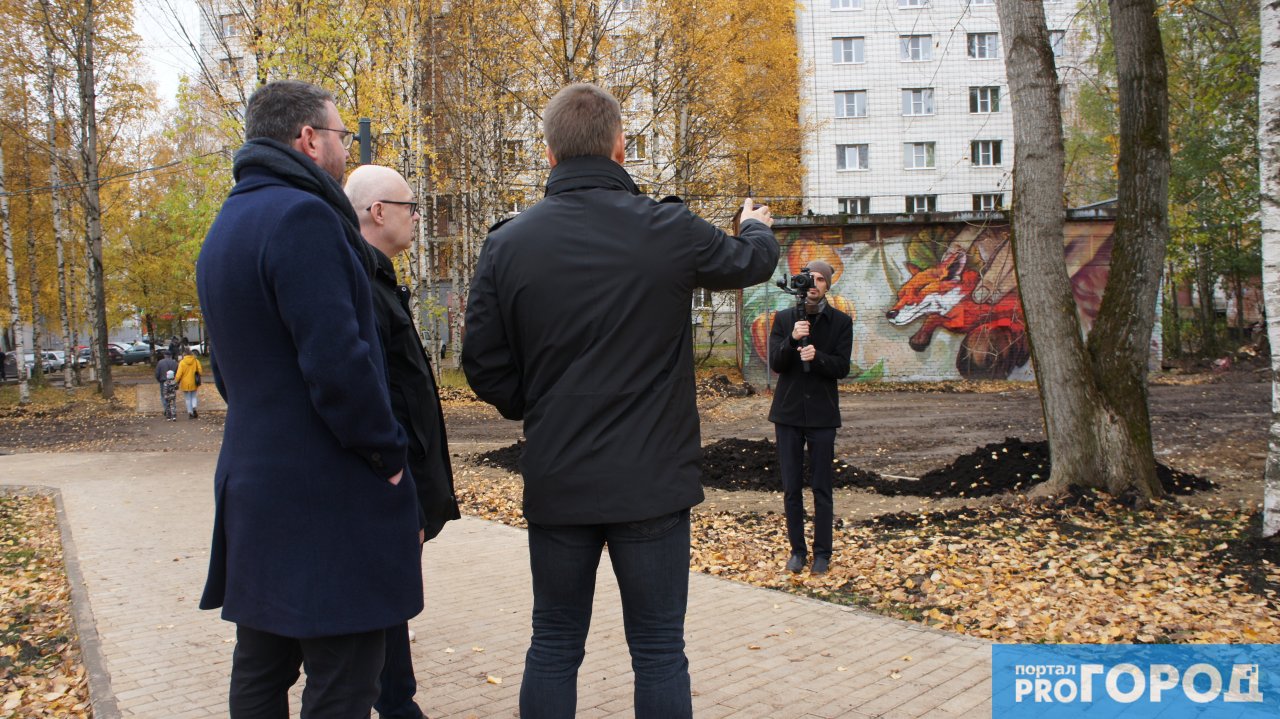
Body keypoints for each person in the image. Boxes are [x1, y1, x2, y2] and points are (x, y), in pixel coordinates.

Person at [462, 82, 777, 719]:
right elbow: (749, 263)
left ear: (549, 154)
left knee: (552, 644)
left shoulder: (509, 243)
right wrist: (757, 228)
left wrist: (541, 405)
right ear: (620, 146)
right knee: (660, 651)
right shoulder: (667, 228)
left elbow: (483, 365)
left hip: (559, 476)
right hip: (652, 482)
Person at [195, 79, 421, 718]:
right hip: (325, 494)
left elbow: (229, 373)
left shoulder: (228, 224)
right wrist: (387, 452)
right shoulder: (304, 218)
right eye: (341, 136)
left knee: (262, 666)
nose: (345, 150)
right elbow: (339, 362)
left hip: (254, 484)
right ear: (308, 139)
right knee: (345, 676)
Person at [345, 164, 461, 719]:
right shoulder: (361, 284)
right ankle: (396, 706)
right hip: (387, 482)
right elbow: (374, 393)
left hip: (398, 478)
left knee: (388, 603)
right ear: (378, 212)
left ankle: (396, 702)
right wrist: (398, 476)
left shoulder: (379, 280)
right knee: (380, 605)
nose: (417, 216)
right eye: (410, 206)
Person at [767, 259, 852, 576]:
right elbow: (777, 363)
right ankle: (797, 552)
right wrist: (791, 339)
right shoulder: (785, 318)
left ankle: (822, 555)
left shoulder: (841, 322)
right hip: (788, 414)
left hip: (822, 415)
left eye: (820, 279)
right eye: (808, 278)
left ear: (828, 285)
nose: (813, 284)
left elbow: (842, 368)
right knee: (791, 489)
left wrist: (817, 358)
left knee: (822, 488)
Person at [173, 349, 204, 420]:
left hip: (185, 383)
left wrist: (176, 381)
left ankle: (190, 412)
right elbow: (200, 371)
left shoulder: (182, 362)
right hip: (194, 382)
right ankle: (194, 407)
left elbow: (179, 374)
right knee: (194, 396)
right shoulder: (196, 361)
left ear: (184, 354)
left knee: (187, 399)